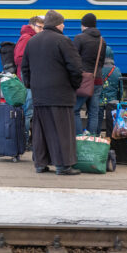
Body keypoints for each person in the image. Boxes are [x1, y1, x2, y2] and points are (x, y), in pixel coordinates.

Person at [21, 10, 83, 175]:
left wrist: (30, 85)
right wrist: (74, 85)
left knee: (40, 131)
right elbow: (76, 68)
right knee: (61, 130)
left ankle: (40, 164)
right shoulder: (63, 41)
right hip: (60, 94)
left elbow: (24, 67)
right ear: (58, 24)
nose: (64, 26)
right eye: (63, 23)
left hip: (39, 94)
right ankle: (63, 165)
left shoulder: (32, 41)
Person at [73, 12, 106, 135]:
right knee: (93, 112)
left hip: (84, 81)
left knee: (75, 110)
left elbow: (74, 60)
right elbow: (101, 62)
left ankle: (79, 138)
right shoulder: (102, 40)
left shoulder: (79, 38)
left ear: (84, 25)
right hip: (97, 80)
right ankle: (91, 140)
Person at [13, 15, 44, 145]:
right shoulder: (27, 38)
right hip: (26, 81)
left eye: (43, 27)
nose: (42, 30)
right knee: (27, 112)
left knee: (29, 112)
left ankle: (25, 141)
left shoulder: (31, 38)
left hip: (30, 79)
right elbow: (18, 58)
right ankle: (24, 141)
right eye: (40, 27)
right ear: (32, 25)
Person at [98, 46, 124, 134]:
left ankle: (96, 137)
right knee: (111, 122)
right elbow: (120, 89)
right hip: (112, 102)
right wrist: (120, 100)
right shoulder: (116, 70)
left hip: (99, 101)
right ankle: (110, 138)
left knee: (97, 121)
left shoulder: (98, 69)